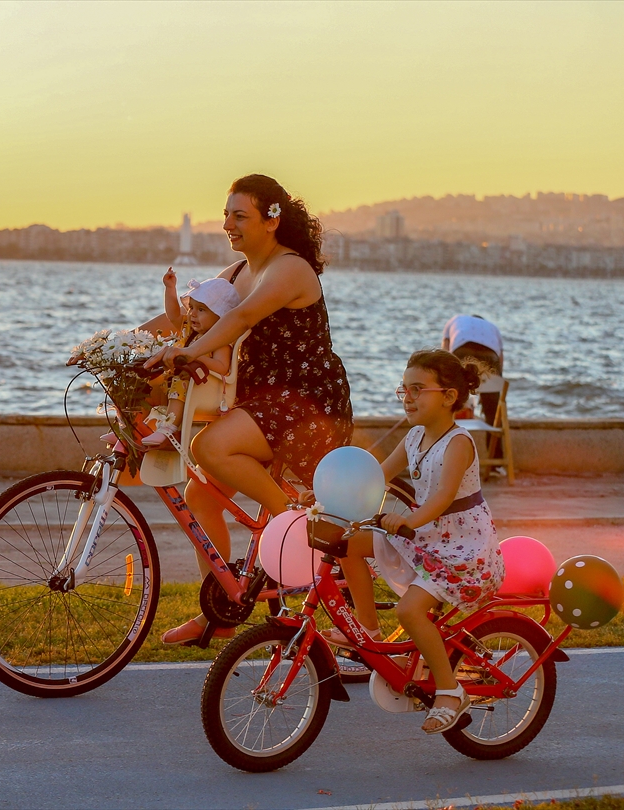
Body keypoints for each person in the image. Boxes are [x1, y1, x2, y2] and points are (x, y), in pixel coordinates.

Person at [141, 174, 354, 646]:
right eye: (226, 215)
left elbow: (238, 319)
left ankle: (298, 526)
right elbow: (190, 317)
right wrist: (122, 344)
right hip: (259, 402)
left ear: (271, 220)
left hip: (305, 402)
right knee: (201, 494)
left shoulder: (290, 269)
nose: (228, 225)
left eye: (240, 216)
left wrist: (190, 354)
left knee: (209, 448)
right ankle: (222, 607)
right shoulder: (236, 274)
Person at [329, 349, 504, 734]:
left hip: (461, 548)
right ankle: (367, 630)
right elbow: (375, 474)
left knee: (409, 612)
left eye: (417, 389)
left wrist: (405, 520)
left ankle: (449, 690)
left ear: (449, 396)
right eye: (403, 389)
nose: (407, 397)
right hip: (425, 535)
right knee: (347, 543)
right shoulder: (413, 437)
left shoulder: (459, 442)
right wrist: (327, 493)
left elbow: (442, 497)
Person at [142, 273, 238, 448]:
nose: (192, 314)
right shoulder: (190, 330)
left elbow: (222, 368)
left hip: (203, 388)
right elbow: (172, 315)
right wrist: (170, 289)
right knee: (145, 379)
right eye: (191, 307)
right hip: (178, 383)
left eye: (201, 310)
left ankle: (168, 427)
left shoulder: (219, 342)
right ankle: (133, 425)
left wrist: (195, 355)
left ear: (220, 317)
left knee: (181, 379)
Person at [441, 314, 503, 425]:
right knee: (492, 412)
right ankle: (495, 438)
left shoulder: (455, 319)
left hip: (462, 348)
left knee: (451, 394)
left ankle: (446, 433)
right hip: (490, 353)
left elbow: (444, 353)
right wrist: (493, 387)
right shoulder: (492, 327)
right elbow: (500, 359)